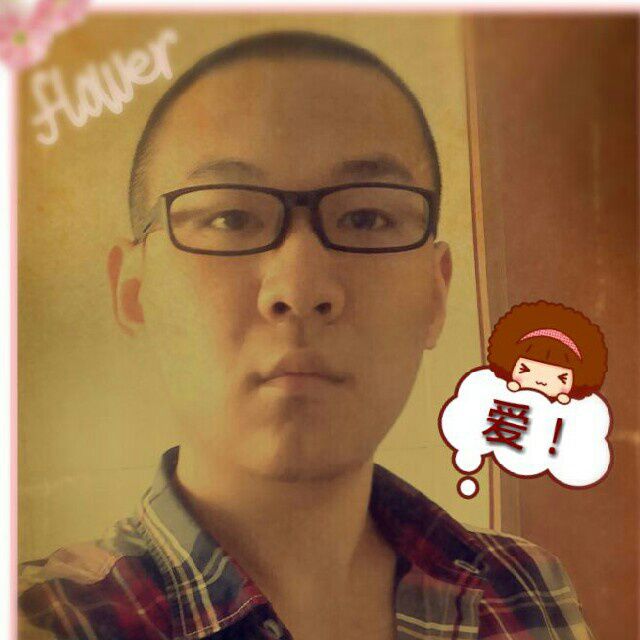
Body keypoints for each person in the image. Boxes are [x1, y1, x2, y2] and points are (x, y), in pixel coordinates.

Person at [18, 30, 595, 640]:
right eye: (229, 217)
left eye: (367, 217)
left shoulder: (527, 588)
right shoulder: (50, 619)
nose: (299, 286)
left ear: (435, 294)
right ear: (133, 292)